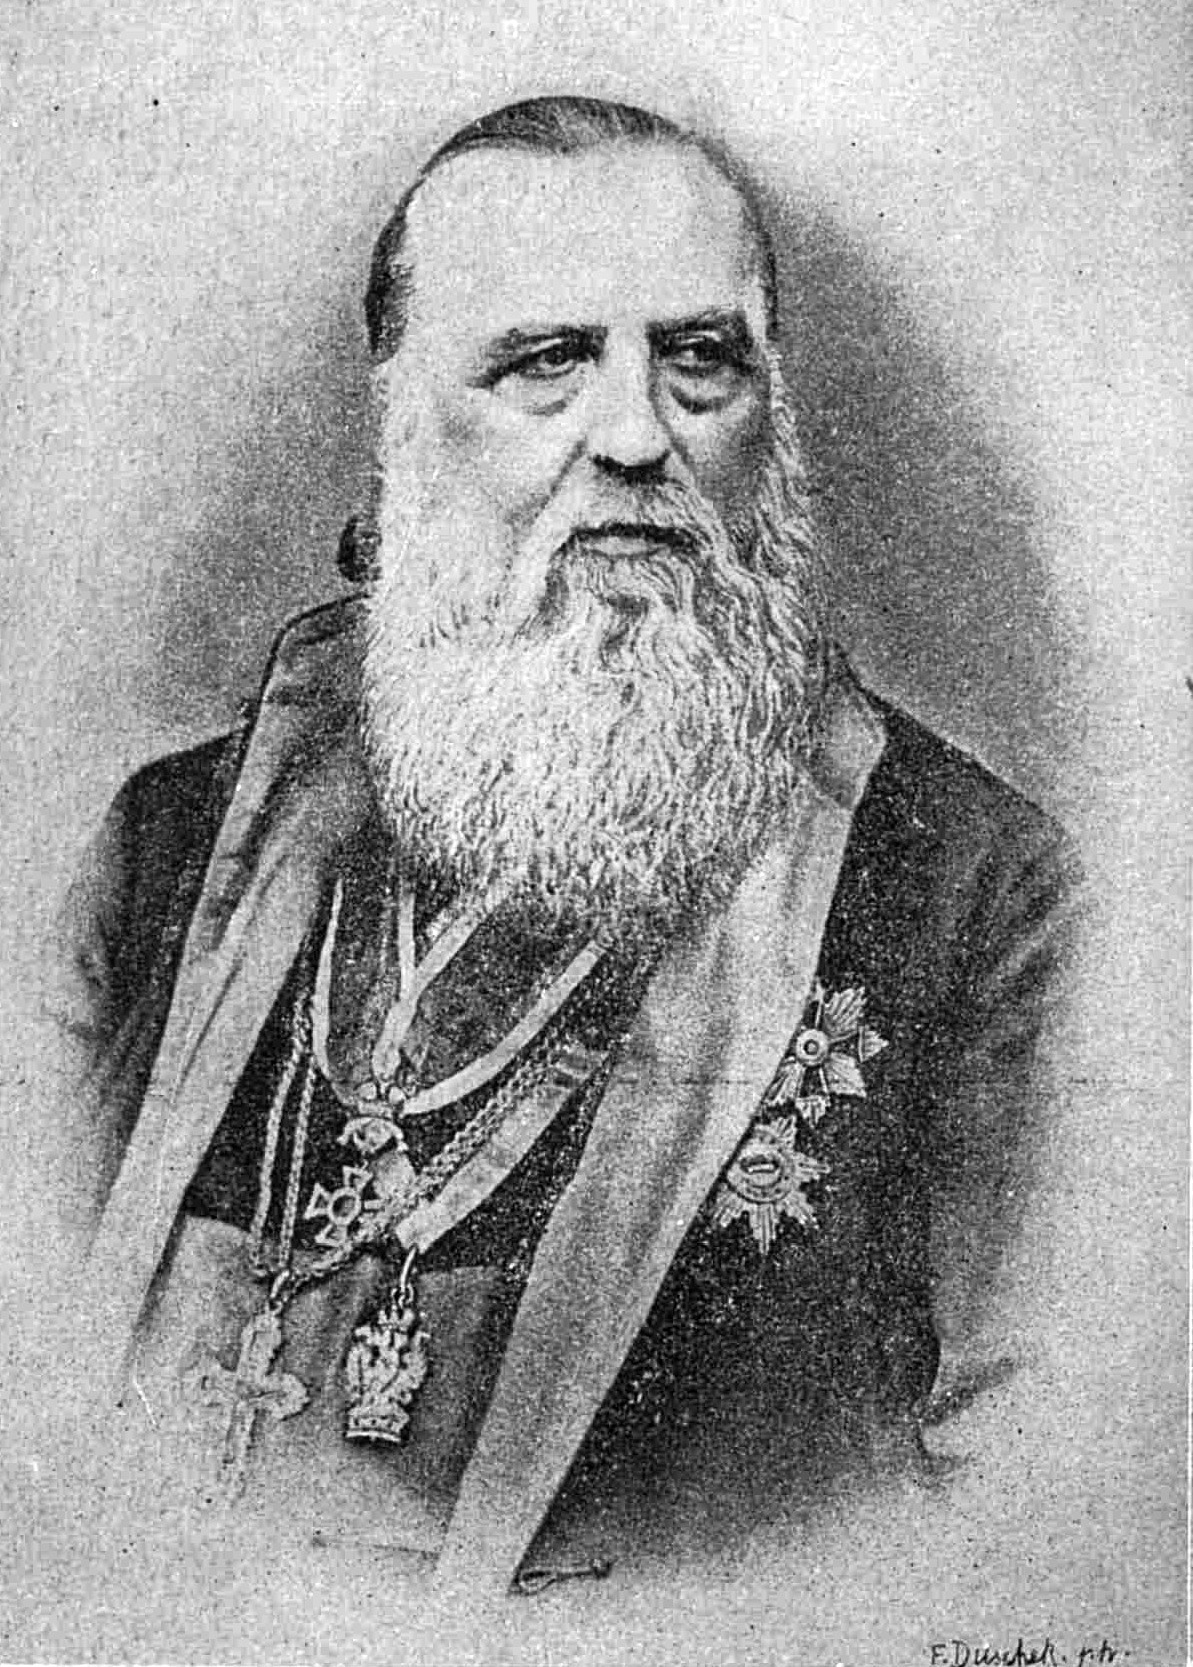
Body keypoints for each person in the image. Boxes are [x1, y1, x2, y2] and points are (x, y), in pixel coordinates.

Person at [44, 95, 1081, 1599]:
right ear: (404, 423)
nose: (637, 435)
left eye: (701, 359)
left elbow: (1026, 1513)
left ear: (770, 420)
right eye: (546, 362)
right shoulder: (165, 846)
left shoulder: (982, 902)